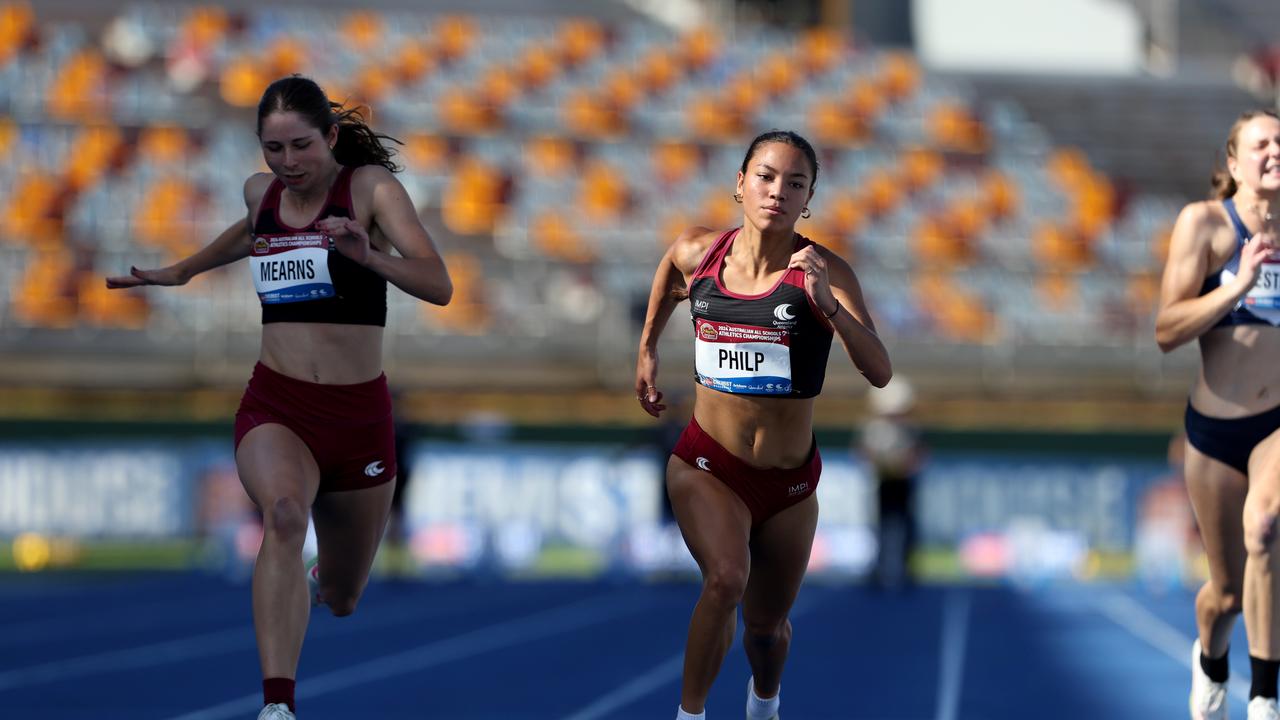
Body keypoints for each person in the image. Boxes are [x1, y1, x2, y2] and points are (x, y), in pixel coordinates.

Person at [107, 75, 452, 720]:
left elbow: (439, 284)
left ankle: (321, 584)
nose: (288, 164)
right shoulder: (261, 193)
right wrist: (182, 270)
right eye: (273, 149)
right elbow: (250, 233)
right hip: (278, 405)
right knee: (285, 516)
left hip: (358, 417)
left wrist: (368, 255)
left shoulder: (372, 191)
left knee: (345, 595)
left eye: (301, 147)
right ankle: (277, 706)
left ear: (331, 137)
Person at [635, 129, 891, 720]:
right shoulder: (699, 253)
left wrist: (826, 304)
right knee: (725, 579)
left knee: (765, 630)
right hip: (707, 465)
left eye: (795, 183)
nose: (778, 191)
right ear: (740, 185)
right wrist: (647, 350)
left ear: (809, 200)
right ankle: (690, 715)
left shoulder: (825, 272)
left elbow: (879, 370)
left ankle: (764, 704)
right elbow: (669, 278)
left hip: (789, 485)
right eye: (766, 177)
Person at [1155, 109, 1280, 720]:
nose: (1275, 151)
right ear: (1233, 164)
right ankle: (1211, 658)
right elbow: (1165, 331)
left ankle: (1263, 695)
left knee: (1266, 527)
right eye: (1262, 143)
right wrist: (1237, 285)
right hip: (1213, 431)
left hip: (1276, 424)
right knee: (1224, 595)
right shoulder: (1204, 224)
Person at [859, 375, 925, 590]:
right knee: (879, 527)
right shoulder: (873, 428)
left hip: (903, 483)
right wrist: (880, 465)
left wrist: (905, 466)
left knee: (906, 526)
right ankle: (878, 568)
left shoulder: (910, 428)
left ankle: (906, 569)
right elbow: (864, 451)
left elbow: (919, 454)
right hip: (882, 483)